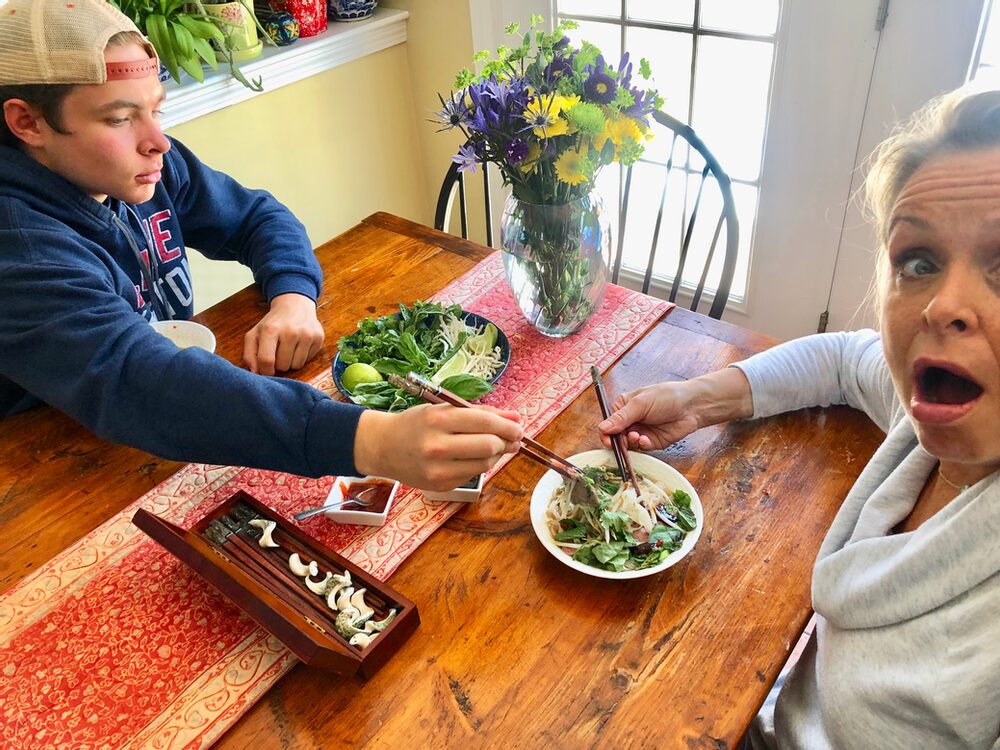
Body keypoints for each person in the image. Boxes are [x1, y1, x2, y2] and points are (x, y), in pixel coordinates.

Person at [600, 87, 1000, 748]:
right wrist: (695, 399)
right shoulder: (933, 419)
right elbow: (844, 359)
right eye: (918, 263)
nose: (942, 305)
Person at [0, 0, 522, 491]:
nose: (156, 139)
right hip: (51, 475)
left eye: (156, 109)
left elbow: (258, 216)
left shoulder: (145, 165)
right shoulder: (18, 245)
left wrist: (293, 296)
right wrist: (371, 440)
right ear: (28, 122)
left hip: (153, 440)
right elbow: (134, 378)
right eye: (119, 118)